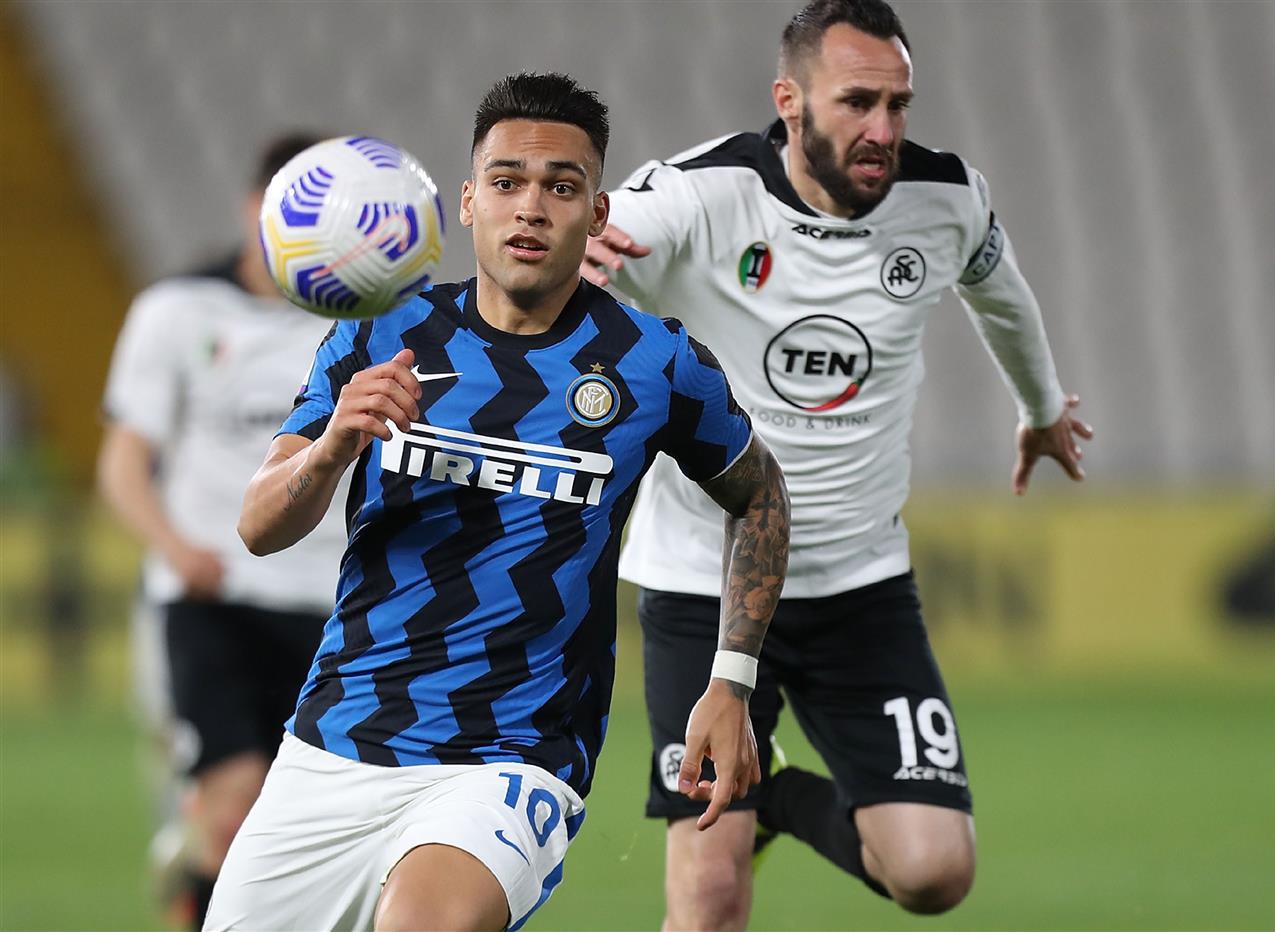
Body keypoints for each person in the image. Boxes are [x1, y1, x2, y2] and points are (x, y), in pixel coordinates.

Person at [204, 72, 790, 931]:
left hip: (513, 756)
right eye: (508, 182)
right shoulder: (378, 336)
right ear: (470, 201)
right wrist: (333, 449)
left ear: (596, 215)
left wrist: (730, 684)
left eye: (563, 186)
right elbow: (259, 527)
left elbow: (761, 496)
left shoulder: (653, 362)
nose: (532, 208)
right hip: (336, 741)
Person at [581, 0, 1093, 926]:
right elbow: (618, 231)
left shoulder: (947, 200)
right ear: (790, 101)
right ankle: (732, 797)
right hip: (706, 583)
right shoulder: (706, 193)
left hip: (860, 588)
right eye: (858, 102)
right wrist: (589, 241)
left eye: (899, 105)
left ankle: (763, 790)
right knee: (708, 895)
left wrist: (1042, 408)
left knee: (934, 874)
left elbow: (1003, 297)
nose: (884, 130)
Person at [97, 133, 347, 929]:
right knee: (234, 805)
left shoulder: (368, 325)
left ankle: (192, 882)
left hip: (334, 606)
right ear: (253, 210)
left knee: (310, 833)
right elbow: (124, 461)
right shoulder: (176, 312)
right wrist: (175, 550)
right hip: (214, 598)